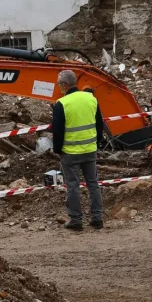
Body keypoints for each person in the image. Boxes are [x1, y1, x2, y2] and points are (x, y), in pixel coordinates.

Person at [51, 70, 105, 231]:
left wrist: (58, 150)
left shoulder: (62, 103)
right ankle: (97, 218)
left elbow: (57, 131)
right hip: (89, 150)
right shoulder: (91, 99)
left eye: (59, 84)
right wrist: (97, 142)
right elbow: (99, 124)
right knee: (93, 184)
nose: (58, 87)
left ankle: (76, 220)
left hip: (70, 152)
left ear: (65, 85)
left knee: (73, 185)